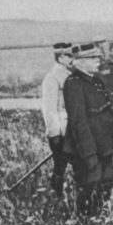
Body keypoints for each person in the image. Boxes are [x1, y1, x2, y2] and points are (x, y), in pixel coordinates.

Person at [63, 43, 113, 217]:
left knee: (107, 181)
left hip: (104, 146)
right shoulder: (74, 84)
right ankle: (85, 224)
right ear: (79, 62)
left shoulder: (95, 80)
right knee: (90, 185)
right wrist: (89, 154)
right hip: (88, 149)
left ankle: (100, 220)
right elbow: (78, 122)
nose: (98, 60)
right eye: (93, 58)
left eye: (98, 57)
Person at [41, 42, 74, 198]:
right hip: (60, 129)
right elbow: (49, 108)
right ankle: (56, 196)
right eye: (68, 55)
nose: (71, 58)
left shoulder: (68, 74)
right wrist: (54, 133)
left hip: (71, 128)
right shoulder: (52, 77)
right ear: (60, 57)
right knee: (60, 166)